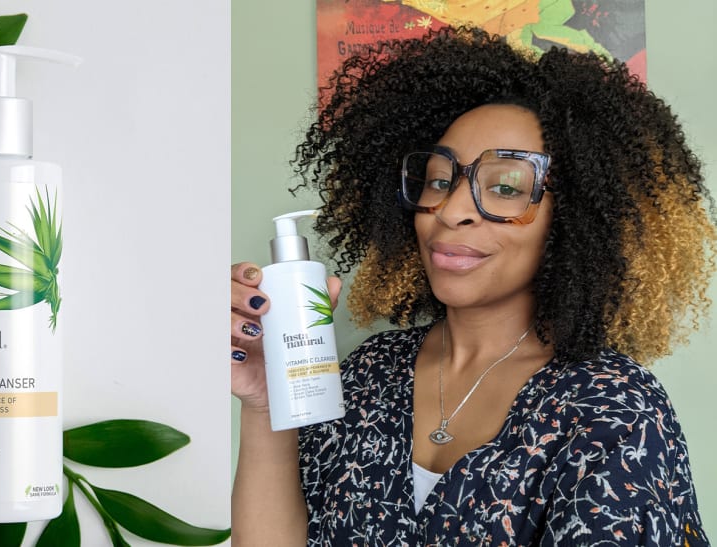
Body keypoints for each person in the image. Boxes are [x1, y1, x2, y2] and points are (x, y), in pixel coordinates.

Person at [230, 27, 714, 546]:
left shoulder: (612, 408)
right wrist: (265, 405)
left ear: (574, 220)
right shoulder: (369, 374)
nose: (451, 210)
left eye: (505, 187)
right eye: (439, 180)